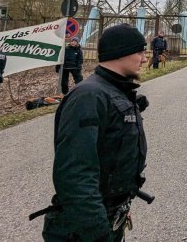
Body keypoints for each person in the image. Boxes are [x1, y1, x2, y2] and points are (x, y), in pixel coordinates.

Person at [37, 23, 151, 241]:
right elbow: (75, 174)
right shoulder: (89, 96)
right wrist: (98, 232)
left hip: (107, 215)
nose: (144, 59)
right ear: (121, 52)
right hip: (83, 230)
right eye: (140, 52)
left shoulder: (114, 92)